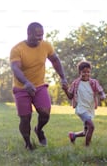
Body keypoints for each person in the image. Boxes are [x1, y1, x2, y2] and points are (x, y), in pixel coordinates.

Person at [10, 22, 68, 150]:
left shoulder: (46, 45)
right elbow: (15, 68)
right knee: (25, 118)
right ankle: (27, 143)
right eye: (37, 35)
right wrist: (26, 82)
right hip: (21, 88)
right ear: (29, 33)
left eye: (41, 35)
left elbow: (55, 60)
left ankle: (39, 130)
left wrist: (63, 77)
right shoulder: (17, 49)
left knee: (45, 113)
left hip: (39, 86)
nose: (39, 38)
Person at [64, 60, 106, 146]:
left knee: (86, 131)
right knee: (91, 127)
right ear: (80, 72)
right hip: (81, 108)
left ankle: (73, 135)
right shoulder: (75, 83)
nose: (86, 74)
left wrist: (103, 96)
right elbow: (70, 96)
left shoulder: (94, 82)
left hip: (90, 108)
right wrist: (65, 90)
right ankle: (87, 147)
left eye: (88, 72)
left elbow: (101, 91)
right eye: (84, 72)